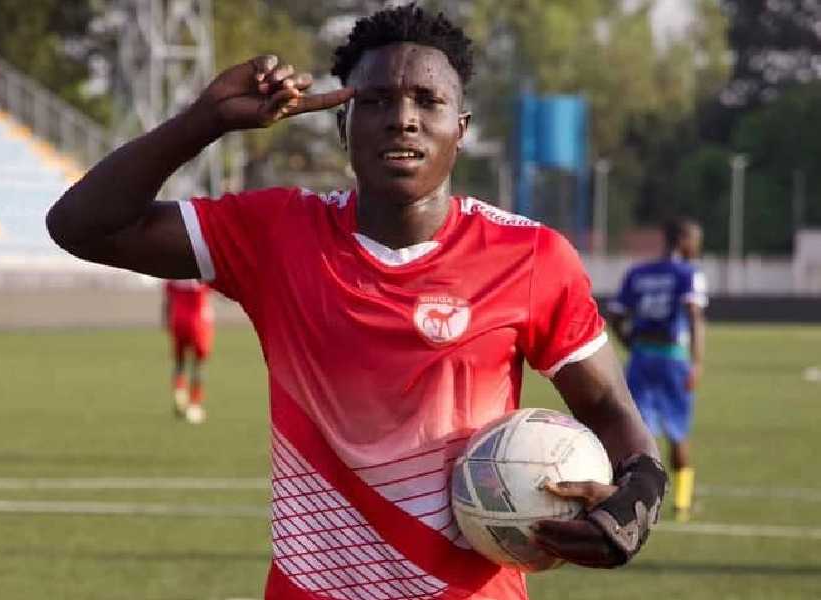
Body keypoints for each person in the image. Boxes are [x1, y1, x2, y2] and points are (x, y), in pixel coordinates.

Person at [47, 5, 666, 598]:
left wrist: (636, 499)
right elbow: (81, 226)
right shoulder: (276, 234)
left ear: (461, 129)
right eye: (376, 101)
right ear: (343, 125)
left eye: (428, 100)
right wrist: (204, 121)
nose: (403, 119)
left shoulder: (529, 256)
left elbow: (608, 406)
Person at [608, 218, 707, 522]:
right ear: (683, 240)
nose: (698, 247)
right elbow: (694, 316)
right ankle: (682, 504)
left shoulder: (638, 273)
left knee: (637, 432)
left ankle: (630, 498)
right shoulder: (688, 273)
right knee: (677, 431)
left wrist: (630, 343)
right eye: (696, 240)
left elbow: (615, 315)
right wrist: (697, 362)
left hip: (641, 357)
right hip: (672, 357)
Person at [163, 278, 215, 424]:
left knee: (179, 362)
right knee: (198, 365)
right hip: (199, 321)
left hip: (178, 319)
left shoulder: (174, 275)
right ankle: (194, 405)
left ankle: (179, 392)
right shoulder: (203, 274)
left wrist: (167, 322)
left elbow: (167, 301)